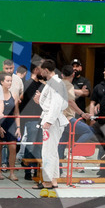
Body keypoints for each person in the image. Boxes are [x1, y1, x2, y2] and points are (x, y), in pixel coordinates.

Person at [36, 60, 66, 196]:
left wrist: (49, 120)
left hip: (52, 121)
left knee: (47, 152)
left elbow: (57, 104)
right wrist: (40, 100)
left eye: (41, 70)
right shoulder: (54, 83)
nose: (39, 72)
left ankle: (47, 182)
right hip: (52, 119)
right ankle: (53, 180)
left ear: (46, 70)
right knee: (52, 151)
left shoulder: (56, 83)